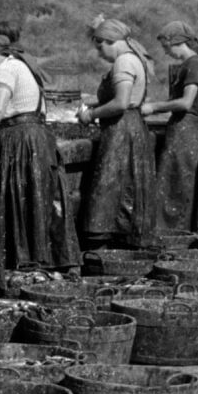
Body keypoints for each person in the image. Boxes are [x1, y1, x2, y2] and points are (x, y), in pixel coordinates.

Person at [0, 33, 79, 272]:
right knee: (39, 199)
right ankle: (43, 261)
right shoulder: (18, 66)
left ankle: (26, 262)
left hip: (22, 140)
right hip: (36, 136)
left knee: (21, 199)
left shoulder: (7, 69)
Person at [78, 18, 158, 249]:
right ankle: (123, 242)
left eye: (100, 46)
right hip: (133, 127)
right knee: (127, 187)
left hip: (122, 130)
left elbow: (121, 102)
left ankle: (105, 244)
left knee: (112, 188)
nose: (100, 53)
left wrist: (90, 115)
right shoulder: (135, 57)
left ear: (110, 41)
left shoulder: (123, 62)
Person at [142, 21, 198, 232]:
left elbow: (185, 102)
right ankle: (184, 230)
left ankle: (170, 232)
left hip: (185, 129)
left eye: (166, 47)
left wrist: (154, 107)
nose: (166, 52)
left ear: (177, 42)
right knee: (184, 182)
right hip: (192, 128)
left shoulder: (193, 65)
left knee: (175, 183)